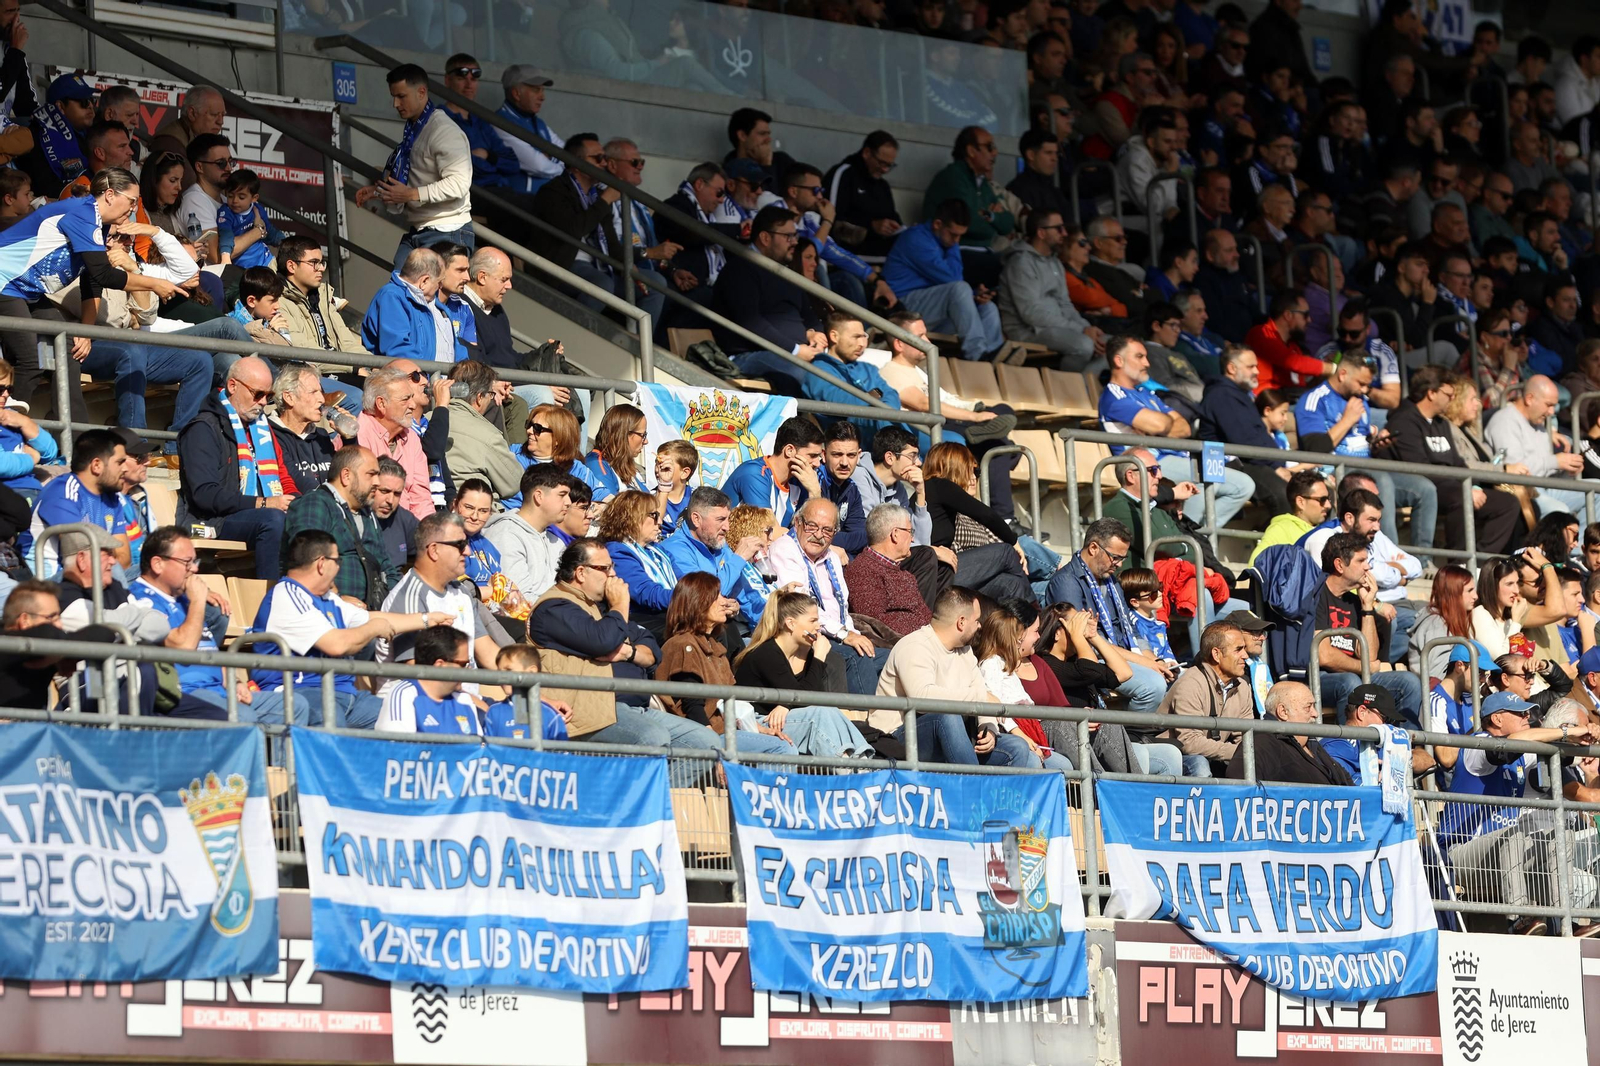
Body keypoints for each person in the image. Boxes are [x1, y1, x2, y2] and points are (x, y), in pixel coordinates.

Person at [0, 168, 177, 421]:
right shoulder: (81, 213)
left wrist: (86, 331)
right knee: (32, 360)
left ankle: (71, 430)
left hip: (26, 291)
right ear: (109, 195)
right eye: (131, 201)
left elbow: (91, 279)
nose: (134, 208)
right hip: (4, 282)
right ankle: (9, 428)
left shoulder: (100, 224)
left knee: (69, 344)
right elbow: (104, 274)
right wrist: (153, 283)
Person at [250, 530, 453, 727]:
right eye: (337, 561)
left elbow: (371, 618)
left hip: (345, 696)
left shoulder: (326, 598)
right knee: (329, 715)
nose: (338, 568)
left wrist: (427, 619)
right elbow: (337, 645)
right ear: (322, 564)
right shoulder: (288, 595)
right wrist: (374, 628)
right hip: (301, 693)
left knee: (399, 717)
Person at [526, 537, 707, 752]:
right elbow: (603, 641)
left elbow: (650, 647)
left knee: (706, 743)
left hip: (635, 708)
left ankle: (654, 786)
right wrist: (620, 603)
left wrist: (629, 653)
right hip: (590, 711)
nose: (613, 574)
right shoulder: (554, 608)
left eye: (612, 567)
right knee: (652, 738)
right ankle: (629, 785)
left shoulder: (598, 607)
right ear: (581, 573)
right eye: (605, 568)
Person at [1441, 688, 1598, 935]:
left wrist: (1582, 739)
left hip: (1502, 856)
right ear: (1497, 719)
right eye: (1519, 713)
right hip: (1459, 855)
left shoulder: (1522, 753)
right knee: (1514, 836)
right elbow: (1508, 746)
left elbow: (1559, 754)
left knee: (1560, 837)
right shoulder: (1477, 745)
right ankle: (1518, 920)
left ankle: (1567, 923)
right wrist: (1569, 730)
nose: (1527, 718)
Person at [1097, 336, 1254, 526]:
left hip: (1170, 457)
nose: (1146, 363)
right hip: (1143, 465)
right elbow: (1161, 425)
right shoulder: (1114, 396)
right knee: (1205, 476)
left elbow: (1184, 427)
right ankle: (1188, 537)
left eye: (1146, 357)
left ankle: (1197, 538)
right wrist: (1163, 424)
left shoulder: (1145, 393)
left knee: (1244, 486)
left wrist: (1157, 426)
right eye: (1139, 357)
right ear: (1118, 360)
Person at [876, 586, 1036, 767]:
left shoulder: (966, 651)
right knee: (946, 715)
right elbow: (921, 697)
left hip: (956, 737)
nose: (980, 625)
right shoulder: (915, 645)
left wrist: (988, 727)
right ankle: (972, 789)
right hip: (898, 739)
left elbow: (980, 690)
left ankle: (1003, 795)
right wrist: (980, 698)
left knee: (1017, 747)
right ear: (961, 622)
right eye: (976, 620)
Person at [1382, 365, 1523, 557]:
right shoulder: (1404, 421)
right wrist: (1465, 488)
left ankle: (1482, 560)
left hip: (1451, 484)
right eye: (1448, 394)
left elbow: (1458, 463)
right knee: (1461, 498)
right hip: (1424, 485)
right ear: (1431, 393)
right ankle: (1459, 561)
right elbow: (1419, 469)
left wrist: (1470, 484)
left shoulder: (1441, 423)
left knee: (1508, 503)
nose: (1452, 399)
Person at [1046, 517, 1174, 714]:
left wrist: (1155, 661)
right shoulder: (1067, 582)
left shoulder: (1111, 581)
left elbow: (1131, 630)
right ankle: (1134, 738)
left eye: (1122, 558)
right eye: (1115, 557)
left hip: (1122, 655)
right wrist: (1145, 663)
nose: (1119, 564)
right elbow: (1084, 637)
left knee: (1178, 678)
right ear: (1094, 548)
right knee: (1153, 686)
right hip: (1095, 657)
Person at [171, 358, 285, 578]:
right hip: (213, 520)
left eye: (268, 396)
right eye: (258, 394)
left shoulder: (260, 429)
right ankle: (273, 596)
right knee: (273, 520)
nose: (263, 403)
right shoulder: (202, 429)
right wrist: (262, 503)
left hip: (251, 513)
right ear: (233, 386)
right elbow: (204, 495)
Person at [356, 64, 474, 269]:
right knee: (401, 288)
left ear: (422, 92)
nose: (395, 103)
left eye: (401, 96)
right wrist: (380, 191)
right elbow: (418, 172)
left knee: (422, 296)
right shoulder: (416, 125)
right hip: (425, 230)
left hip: (448, 230)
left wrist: (409, 195)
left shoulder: (444, 131)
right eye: (393, 96)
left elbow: (459, 184)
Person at [769, 497, 887, 694]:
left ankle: (905, 721)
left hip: (838, 634)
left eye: (827, 530)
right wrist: (845, 635)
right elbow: (802, 608)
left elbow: (842, 609)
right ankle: (865, 721)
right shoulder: (785, 549)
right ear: (798, 522)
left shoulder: (831, 557)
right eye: (812, 526)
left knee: (895, 659)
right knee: (859, 657)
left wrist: (852, 634)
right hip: (806, 635)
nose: (818, 535)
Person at [1307, 531, 1423, 724]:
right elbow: (1324, 655)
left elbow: (1368, 656)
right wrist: (1364, 667)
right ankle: (1351, 748)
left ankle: (1405, 747)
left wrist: (1367, 607)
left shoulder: (1355, 602)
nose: (1368, 567)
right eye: (1361, 561)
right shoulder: (1316, 594)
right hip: (1320, 677)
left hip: (1356, 676)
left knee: (1409, 682)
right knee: (1351, 683)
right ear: (1339, 565)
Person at [882, 199, 1007, 362]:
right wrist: (953, 248)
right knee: (960, 289)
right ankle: (977, 355)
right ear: (937, 224)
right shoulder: (916, 238)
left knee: (987, 307)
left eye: (960, 236)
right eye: (954, 235)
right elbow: (953, 279)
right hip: (903, 310)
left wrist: (975, 296)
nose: (957, 240)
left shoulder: (945, 242)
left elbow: (954, 280)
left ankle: (994, 362)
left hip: (932, 311)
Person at [380, 511, 501, 673]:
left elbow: (488, 654)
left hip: (465, 690)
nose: (468, 552)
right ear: (434, 550)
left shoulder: (461, 591)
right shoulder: (409, 597)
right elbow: (420, 678)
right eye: (460, 545)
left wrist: (526, 678)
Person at [279, 445, 398, 610]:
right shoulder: (315, 504)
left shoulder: (367, 514)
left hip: (370, 615)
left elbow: (386, 566)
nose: (377, 482)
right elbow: (306, 562)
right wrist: (336, 598)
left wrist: (400, 601)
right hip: (324, 612)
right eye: (371, 474)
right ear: (346, 476)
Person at [974, 600, 1076, 775]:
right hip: (1013, 731)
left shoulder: (1008, 664)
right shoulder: (991, 664)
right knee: (1035, 762)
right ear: (1016, 637)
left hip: (1027, 727)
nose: (1038, 636)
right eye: (1035, 632)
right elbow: (996, 706)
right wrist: (1021, 735)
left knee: (1064, 766)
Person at [997, 208, 1105, 370]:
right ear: (1041, 233)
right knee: (1083, 346)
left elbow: (1065, 304)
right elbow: (1031, 313)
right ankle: (1069, 391)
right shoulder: (1020, 263)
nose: (1064, 233)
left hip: (1057, 328)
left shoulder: (1054, 262)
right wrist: (1081, 330)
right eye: (1059, 228)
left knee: (1114, 346)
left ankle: (1083, 388)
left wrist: (1087, 328)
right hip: (1028, 330)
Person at [1154, 620, 1255, 777]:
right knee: (1200, 765)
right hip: (1179, 756)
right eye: (1238, 649)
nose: (1246, 656)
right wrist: (1241, 752)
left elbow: (1245, 737)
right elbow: (1189, 743)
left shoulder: (1242, 686)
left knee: (1256, 764)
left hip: (1213, 755)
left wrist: (1250, 753)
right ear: (1216, 654)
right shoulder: (1190, 683)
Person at [660, 487, 768, 630]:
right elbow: (704, 597)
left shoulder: (718, 545)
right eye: (720, 520)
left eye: (728, 519)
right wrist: (739, 558)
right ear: (696, 519)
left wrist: (775, 618)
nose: (727, 527)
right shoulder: (676, 550)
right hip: (695, 632)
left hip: (729, 629)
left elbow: (746, 595)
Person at [1486, 374, 1588, 516]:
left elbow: (1545, 468)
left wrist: (1567, 469)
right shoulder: (1505, 421)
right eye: (1549, 405)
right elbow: (1516, 472)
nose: (1552, 412)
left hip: (1545, 487)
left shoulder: (1538, 424)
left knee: (1597, 490)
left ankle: (1585, 538)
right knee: (1558, 512)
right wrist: (1556, 461)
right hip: (1522, 492)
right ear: (1529, 399)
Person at [1231, 679, 1355, 784]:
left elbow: (1346, 782)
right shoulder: (1260, 745)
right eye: (1308, 707)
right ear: (1283, 712)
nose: (1316, 714)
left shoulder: (1311, 742)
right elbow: (1241, 796)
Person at [376, 625, 491, 736]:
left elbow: (478, 751)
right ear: (440, 665)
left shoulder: (463, 699)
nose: (468, 669)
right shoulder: (404, 695)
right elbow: (397, 751)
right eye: (463, 664)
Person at [483, 464, 570, 603]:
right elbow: (517, 600)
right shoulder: (506, 535)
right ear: (539, 496)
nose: (569, 502)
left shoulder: (556, 541)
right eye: (562, 495)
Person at [440, 360, 522, 501]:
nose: (491, 399)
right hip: (475, 514)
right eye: (490, 394)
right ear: (479, 398)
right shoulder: (489, 435)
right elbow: (514, 483)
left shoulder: (426, 421)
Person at [361, 246, 457, 364]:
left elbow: (457, 348)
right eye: (439, 282)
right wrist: (425, 378)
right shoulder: (391, 297)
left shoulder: (437, 305)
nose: (440, 287)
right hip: (415, 378)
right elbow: (398, 350)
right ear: (424, 281)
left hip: (445, 378)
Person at [823, 130, 903, 258]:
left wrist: (897, 228)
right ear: (866, 153)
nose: (885, 170)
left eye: (890, 165)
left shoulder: (883, 186)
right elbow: (830, 221)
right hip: (845, 259)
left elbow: (893, 217)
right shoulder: (844, 175)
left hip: (881, 260)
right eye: (882, 163)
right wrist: (871, 226)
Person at [265, 363, 339, 497]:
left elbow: (345, 478)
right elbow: (295, 478)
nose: (322, 399)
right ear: (289, 397)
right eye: (313, 392)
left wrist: (350, 439)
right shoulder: (270, 434)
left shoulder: (322, 436)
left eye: (321, 392)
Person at [493, 64, 564, 197]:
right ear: (516, 93)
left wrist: (549, 157)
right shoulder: (500, 121)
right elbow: (537, 165)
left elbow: (568, 154)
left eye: (543, 90)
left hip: (546, 201)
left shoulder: (538, 123)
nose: (543, 97)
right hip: (520, 204)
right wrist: (563, 167)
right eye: (536, 90)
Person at [584, 402, 650, 499]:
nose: (646, 441)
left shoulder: (624, 464)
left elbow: (651, 505)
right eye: (642, 435)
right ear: (624, 434)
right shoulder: (597, 464)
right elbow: (610, 509)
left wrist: (664, 485)